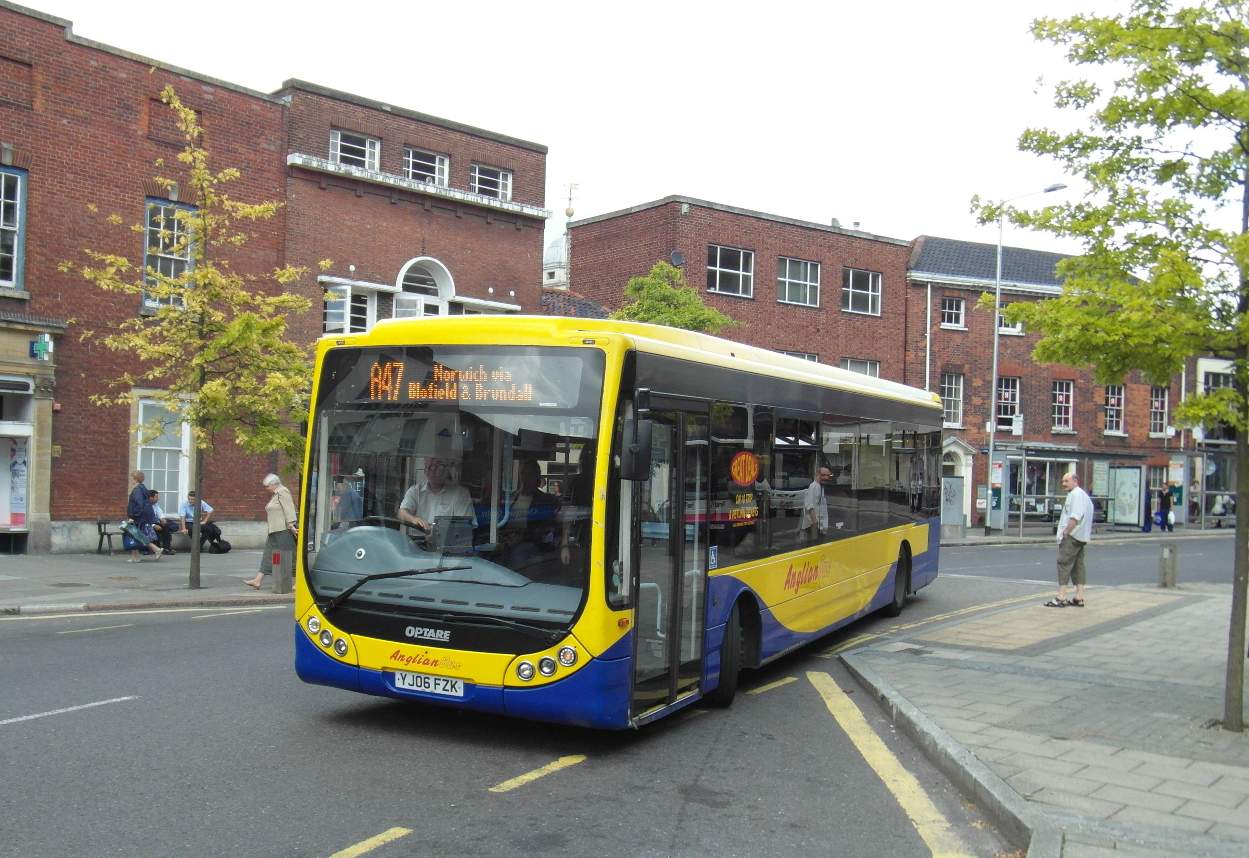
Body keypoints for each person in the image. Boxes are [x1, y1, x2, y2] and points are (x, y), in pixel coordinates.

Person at [397, 457, 476, 540]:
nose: (432, 469)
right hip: (417, 544)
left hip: (446, 546)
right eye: (429, 466)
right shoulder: (415, 491)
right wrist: (413, 519)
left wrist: (440, 531)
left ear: (447, 470)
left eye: (437, 465)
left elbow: (466, 527)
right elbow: (401, 513)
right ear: (425, 470)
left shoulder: (460, 494)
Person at [1046, 471, 1093, 608]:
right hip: (1081, 536)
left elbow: (1075, 517)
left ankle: (1061, 597)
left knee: (1063, 563)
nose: (1063, 484)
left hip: (1072, 536)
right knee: (1078, 566)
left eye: (1066, 481)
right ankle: (1079, 597)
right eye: (1063, 481)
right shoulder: (1083, 495)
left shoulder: (1076, 495)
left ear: (1075, 481)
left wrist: (1066, 532)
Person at [501, 459, 560, 565]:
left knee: (517, 556)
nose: (526, 477)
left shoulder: (547, 500)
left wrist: (523, 536)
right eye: (523, 473)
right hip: (508, 541)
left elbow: (547, 529)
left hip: (530, 544)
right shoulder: (511, 497)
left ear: (537, 477)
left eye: (530, 474)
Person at [244, 473, 297, 589]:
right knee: (268, 555)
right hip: (273, 530)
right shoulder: (275, 495)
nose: (266, 489)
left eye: (267, 486)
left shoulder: (283, 492)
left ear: (274, 484)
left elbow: (289, 508)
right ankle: (257, 580)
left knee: (290, 554)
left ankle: (298, 581)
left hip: (283, 530)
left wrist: (291, 525)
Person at [125, 470, 160, 562]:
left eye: (131, 477)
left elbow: (139, 504)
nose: (130, 479)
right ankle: (135, 557)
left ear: (135, 479)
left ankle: (156, 549)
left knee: (135, 535)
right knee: (135, 535)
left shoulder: (137, 490)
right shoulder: (143, 488)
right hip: (142, 517)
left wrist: (133, 516)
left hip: (137, 517)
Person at [802, 466, 833, 542]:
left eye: (828, 475)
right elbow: (809, 505)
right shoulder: (813, 486)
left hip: (819, 526)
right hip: (814, 525)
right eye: (823, 475)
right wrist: (815, 523)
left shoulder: (820, 486)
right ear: (817, 475)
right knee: (814, 546)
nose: (826, 477)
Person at [148, 489, 179, 556]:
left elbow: (159, 512)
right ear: (151, 497)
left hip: (158, 521)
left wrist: (162, 518)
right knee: (166, 529)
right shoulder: (145, 505)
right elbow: (145, 518)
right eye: (156, 497)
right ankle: (166, 548)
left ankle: (162, 544)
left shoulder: (155, 504)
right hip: (149, 524)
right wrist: (153, 525)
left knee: (175, 526)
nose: (158, 499)